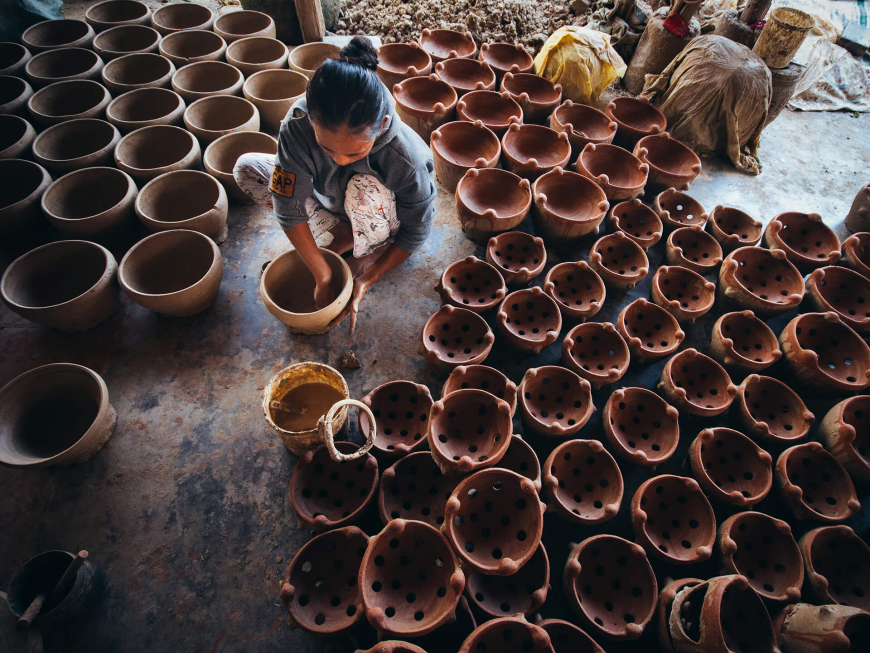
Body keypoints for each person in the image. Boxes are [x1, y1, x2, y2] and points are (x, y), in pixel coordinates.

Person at [234, 36, 436, 333]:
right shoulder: (297, 124)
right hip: (330, 201)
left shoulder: (405, 157)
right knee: (247, 168)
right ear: (311, 120)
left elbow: (418, 229)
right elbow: (287, 203)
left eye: (354, 152)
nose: (340, 160)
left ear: (380, 127)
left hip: (377, 211)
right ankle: (342, 235)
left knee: (361, 191)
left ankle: (370, 248)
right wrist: (323, 275)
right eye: (327, 149)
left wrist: (369, 276)